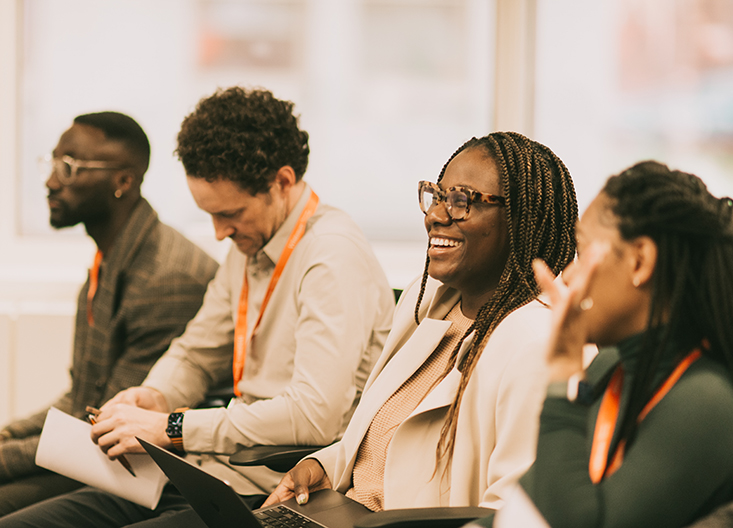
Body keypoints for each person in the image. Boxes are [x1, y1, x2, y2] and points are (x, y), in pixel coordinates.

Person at [0, 87, 395, 528]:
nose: (220, 231)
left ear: (283, 182)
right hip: (207, 474)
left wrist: (170, 426)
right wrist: (154, 395)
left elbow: (312, 416)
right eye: (209, 214)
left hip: (273, 491)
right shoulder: (251, 244)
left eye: (231, 213)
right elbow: (196, 352)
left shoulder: (331, 257)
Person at [264, 131, 578, 514]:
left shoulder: (534, 343)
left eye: (462, 201)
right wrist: (323, 465)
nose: (435, 215)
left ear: (521, 219)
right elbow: (387, 437)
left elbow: (515, 510)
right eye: (438, 196)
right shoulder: (426, 300)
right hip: (341, 513)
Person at [478, 161, 733, 528]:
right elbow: (540, 494)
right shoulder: (611, 364)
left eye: (582, 250)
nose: (569, 274)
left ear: (639, 261)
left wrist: (564, 371)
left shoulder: (706, 401)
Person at [0, 112, 219, 516]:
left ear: (123, 181)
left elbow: (105, 426)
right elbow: (81, 397)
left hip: (139, 470)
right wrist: (8, 435)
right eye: (52, 163)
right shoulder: (111, 257)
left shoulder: (166, 278)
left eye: (69, 167)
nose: (50, 181)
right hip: (94, 448)